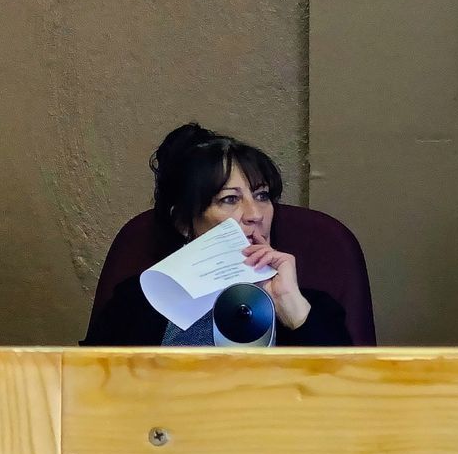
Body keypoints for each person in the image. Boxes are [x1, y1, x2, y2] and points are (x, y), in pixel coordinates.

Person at [83, 124, 358, 346]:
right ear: (184, 223)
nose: (256, 214)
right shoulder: (138, 301)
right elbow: (84, 391)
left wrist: (291, 307)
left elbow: (349, 400)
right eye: (229, 200)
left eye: (262, 196)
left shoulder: (313, 307)